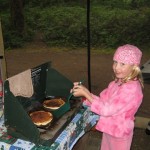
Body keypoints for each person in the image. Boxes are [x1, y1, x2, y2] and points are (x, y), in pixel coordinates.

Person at [71, 44, 143, 150]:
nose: (116, 67)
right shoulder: (118, 82)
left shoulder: (131, 89)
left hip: (120, 134)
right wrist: (84, 94)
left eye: (122, 64)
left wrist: (86, 93)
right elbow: (103, 102)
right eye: (115, 62)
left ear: (134, 66)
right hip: (109, 128)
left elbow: (106, 110)